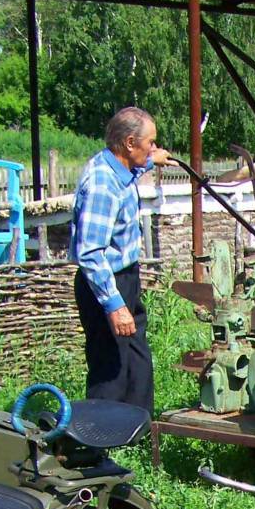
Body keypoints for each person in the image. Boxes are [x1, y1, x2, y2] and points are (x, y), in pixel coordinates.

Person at [70, 106, 169, 415]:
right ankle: (97, 440)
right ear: (129, 142)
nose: (152, 147)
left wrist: (153, 160)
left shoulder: (121, 169)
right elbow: (90, 252)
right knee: (110, 364)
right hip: (104, 282)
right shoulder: (102, 184)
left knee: (137, 356)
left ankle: (137, 426)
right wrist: (113, 305)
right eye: (149, 143)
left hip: (126, 275)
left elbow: (134, 169)